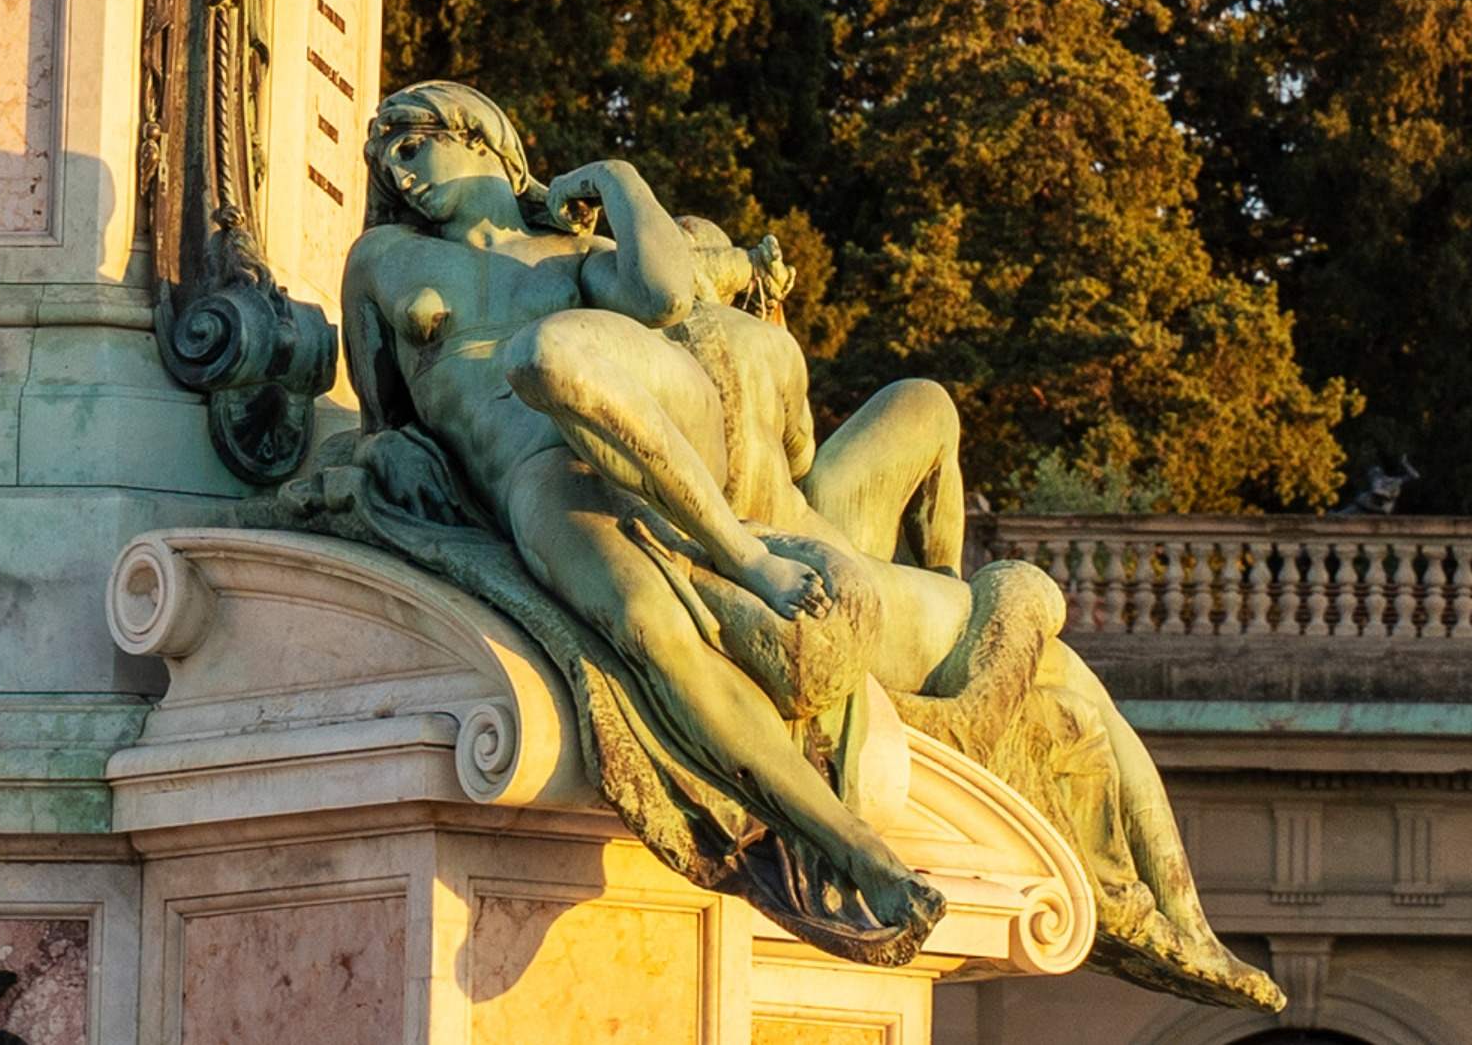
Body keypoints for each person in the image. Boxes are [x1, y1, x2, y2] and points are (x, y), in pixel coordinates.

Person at [338, 86, 1280, 1006]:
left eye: (410, 146)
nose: (398, 173)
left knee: (552, 353)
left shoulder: (578, 257)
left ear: (482, 137)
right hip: (537, 478)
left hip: (652, 449)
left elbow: (664, 295)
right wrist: (389, 453)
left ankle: (1184, 917)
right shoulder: (382, 259)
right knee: (649, 628)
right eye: (384, 160)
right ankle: (854, 850)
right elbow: (380, 419)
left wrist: (617, 178)